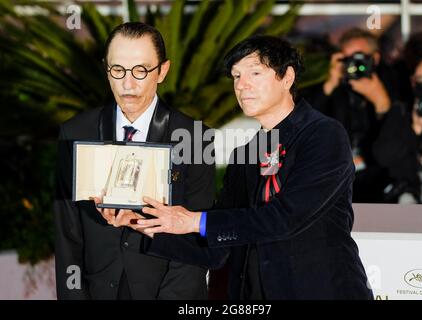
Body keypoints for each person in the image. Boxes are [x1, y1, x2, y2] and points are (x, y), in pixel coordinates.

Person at [104, 35, 373, 300]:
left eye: (254, 73)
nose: (242, 85)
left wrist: (192, 220)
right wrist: (143, 223)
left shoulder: (323, 134)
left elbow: (287, 218)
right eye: (235, 76)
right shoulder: (246, 153)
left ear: (287, 77)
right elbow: (217, 247)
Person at [54, 22, 215, 299]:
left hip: (166, 288)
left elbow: (196, 239)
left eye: (141, 71)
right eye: (118, 70)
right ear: (106, 69)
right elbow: (67, 233)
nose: (128, 84)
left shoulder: (195, 137)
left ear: (162, 71)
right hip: (99, 288)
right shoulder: (75, 133)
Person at [307, 28, 399, 203]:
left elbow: (397, 142)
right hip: (337, 180)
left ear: (376, 58)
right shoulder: (336, 89)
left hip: (379, 181)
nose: (355, 65)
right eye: (348, 59)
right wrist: (330, 83)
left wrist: (381, 101)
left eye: (360, 58)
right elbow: (306, 122)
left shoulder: (391, 84)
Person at [373, 37, 422, 204]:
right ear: (413, 81)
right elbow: (383, 158)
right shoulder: (400, 113)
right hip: (408, 207)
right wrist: (413, 129)